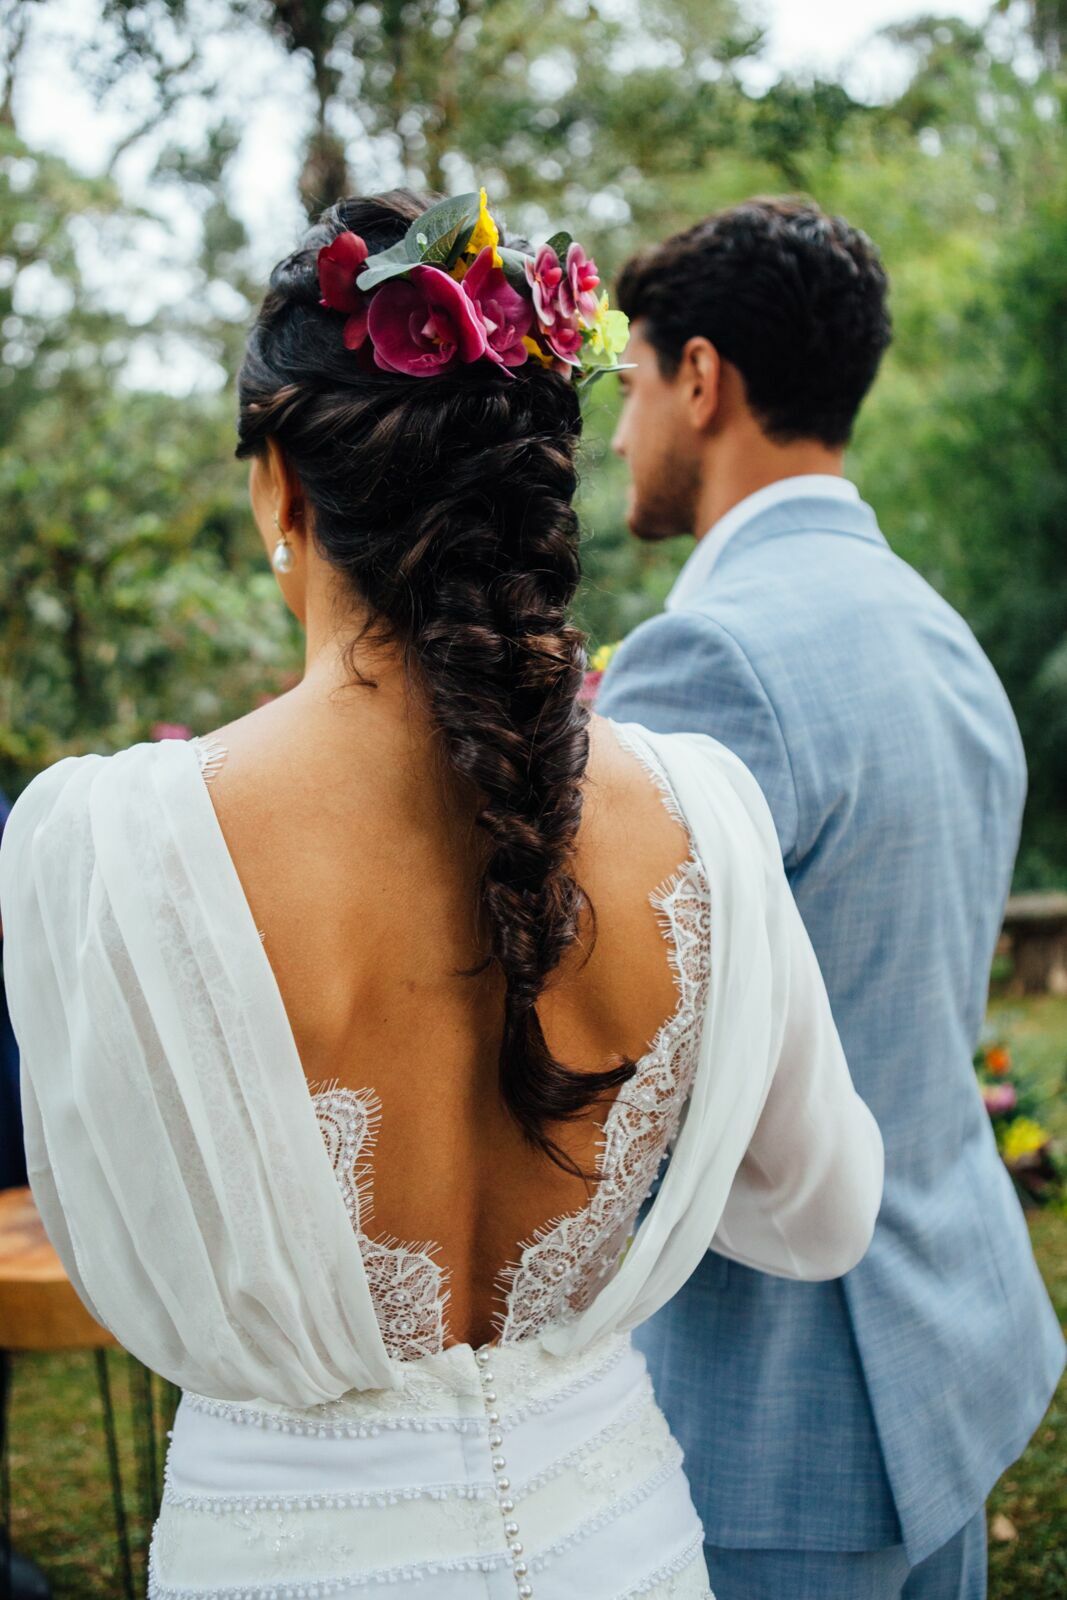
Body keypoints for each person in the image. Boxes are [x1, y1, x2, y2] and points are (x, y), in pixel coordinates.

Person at [0, 188, 885, 1599]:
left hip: (285, 1555)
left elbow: (125, 1264)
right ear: (538, 477)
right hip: (622, 1539)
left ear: (280, 484)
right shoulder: (703, 813)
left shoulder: (101, 840)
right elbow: (821, 1216)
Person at [597, 196, 1066, 1600]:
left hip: (778, 1415)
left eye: (626, 387)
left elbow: (628, 1069)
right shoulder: (940, 635)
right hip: (955, 1355)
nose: (617, 434)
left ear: (701, 379)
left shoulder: (706, 659)